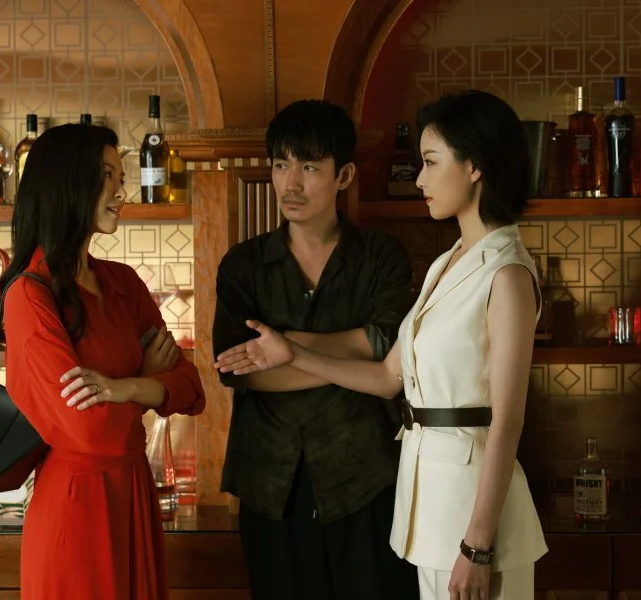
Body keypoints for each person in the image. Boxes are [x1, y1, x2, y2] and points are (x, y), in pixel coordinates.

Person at [215, 89, 549, 600]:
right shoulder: (447, 262)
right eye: (281, 165)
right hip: (427, 503)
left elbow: (507, 421)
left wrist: (478, 546)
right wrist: (295, 352)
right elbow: (388, 376)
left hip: (469, 510)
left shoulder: (506, 274)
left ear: (474, 166)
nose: (419, 180)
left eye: (431, 162)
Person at [212, 99, 419, 600]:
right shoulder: (243, 265)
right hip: (271, 483)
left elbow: (389, 345)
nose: (291, 183)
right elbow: (238, 368)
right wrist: (357, 354)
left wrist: (285, 348)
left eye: (309, 167)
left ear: (343, 175)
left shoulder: (381, 257)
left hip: (365, 476)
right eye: (281, 165)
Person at [0, 123, 206, 600]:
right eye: (107, 176)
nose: (121, 191)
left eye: (121, 177)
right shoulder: (29, 296)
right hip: (76, 505)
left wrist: (125, 387)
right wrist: (150, 381)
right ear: (68, 183)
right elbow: (87, 429)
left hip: (133, 491)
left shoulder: (124, 283)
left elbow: (193, 388)